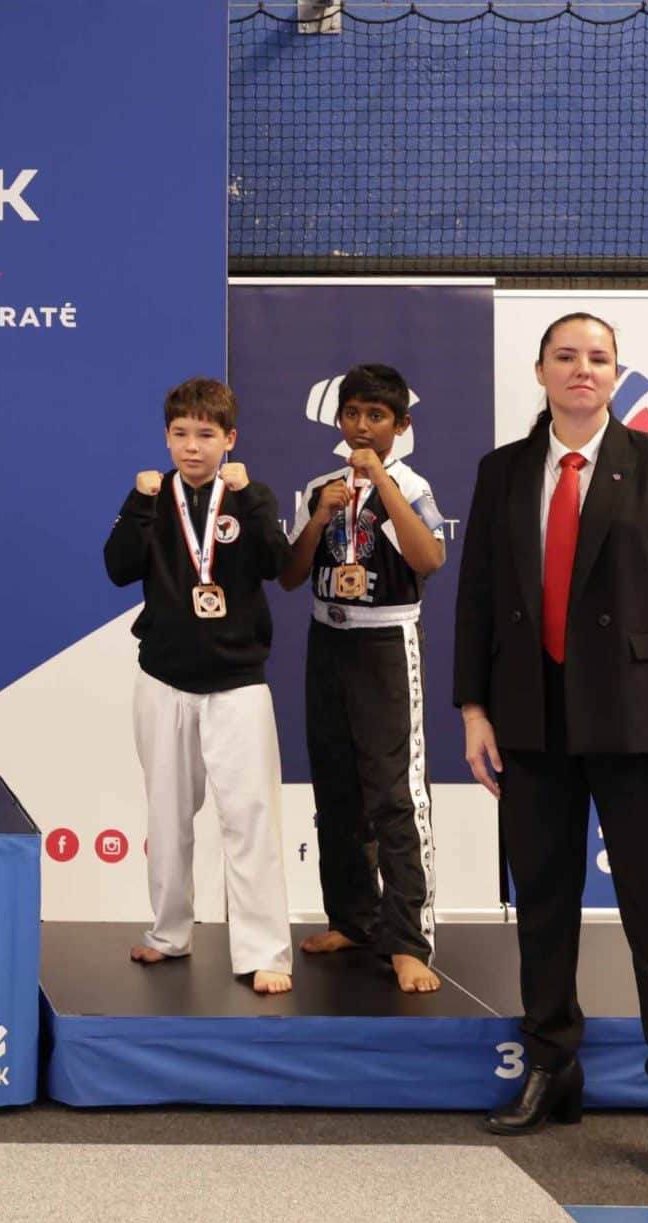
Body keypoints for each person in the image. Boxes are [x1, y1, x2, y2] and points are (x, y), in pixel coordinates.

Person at [453, 312, 648, 1190]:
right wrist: (474, 709)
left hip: (644, 730)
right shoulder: (501, 471)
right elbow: (476, 598)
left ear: (616, 373)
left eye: (598, 357)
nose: (582, 368)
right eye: (566, 356)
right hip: (530, 726)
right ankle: (550, 1065)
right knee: (542, 907)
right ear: (539, 371)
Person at [105, 377, 295, 995]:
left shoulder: (249, 496)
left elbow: (278, 564)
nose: (192, 447)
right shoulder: (152, 498)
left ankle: (264, 951)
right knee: (167, 814)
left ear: (229, 439)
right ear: (166, 438)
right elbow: (117, 568)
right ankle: (168, 932)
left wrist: (251, 500)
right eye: (181, 434)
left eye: (206, 435)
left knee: (251, 816)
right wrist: (138, 503)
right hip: (164, 679)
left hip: (238, 683)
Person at [277, 363, 447, 993]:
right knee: (337, 789)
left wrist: (382, 484)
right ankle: (353, 918)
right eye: (352, 414)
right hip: (328, 640)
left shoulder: (412, 484)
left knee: (396, 794)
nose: (362, 426)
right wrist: (319, 517)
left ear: (400, 425)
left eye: (376, 416)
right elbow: (290, 576)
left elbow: (430, 558)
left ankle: (409, 940)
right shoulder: (320, 486)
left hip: (386, 644)